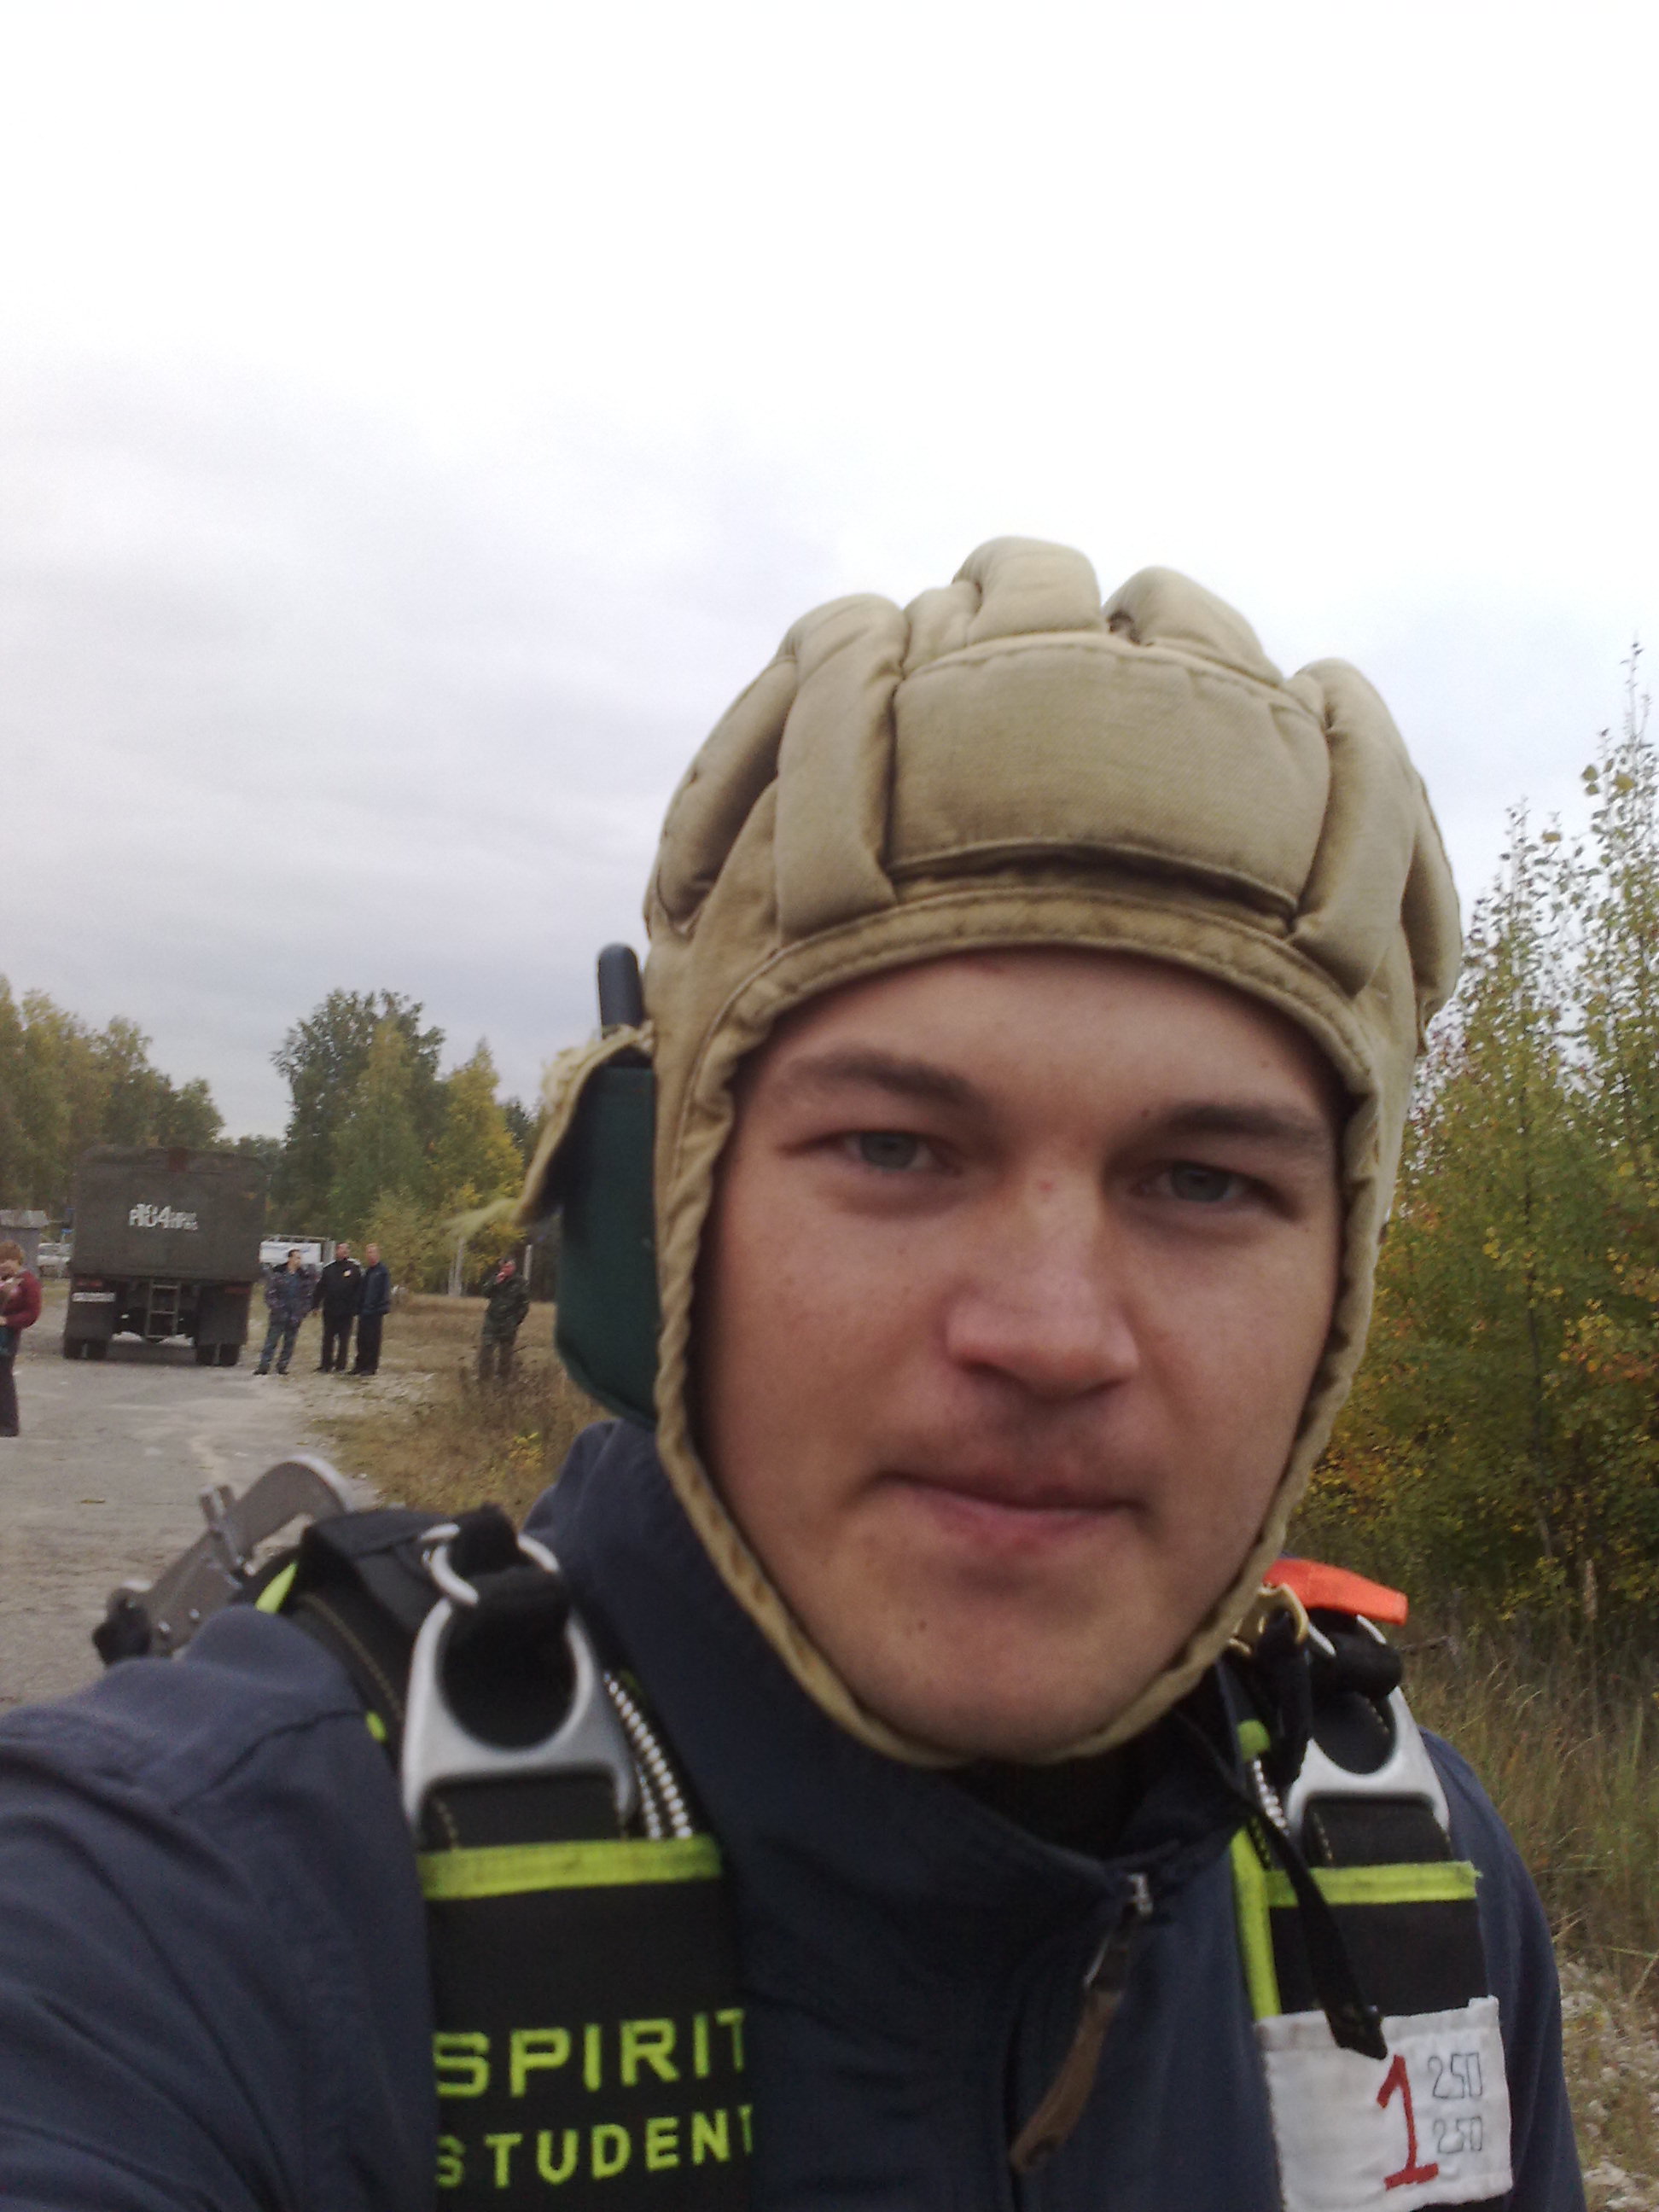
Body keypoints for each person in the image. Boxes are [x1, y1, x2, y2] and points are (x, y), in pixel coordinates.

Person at [0, 542, 1581, 2209]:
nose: (1051, 1335)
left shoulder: (1413, 1893)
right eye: (893, 1147)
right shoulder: (195, 1904)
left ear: (1339, 1290)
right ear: (666, 1224)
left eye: (1204, 1182)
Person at [0, 1241, 42, 1438]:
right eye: (0, 1260)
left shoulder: (28, 1282)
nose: (3, 1264)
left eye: (7, 1260)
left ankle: (9, 1424)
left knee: (3, 1377)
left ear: (18, 1260)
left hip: (7, 1336)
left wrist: (7, 1321)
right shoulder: (3, 1279)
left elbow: (32, 1313)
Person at [253, 1248, 311, 1376]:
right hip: (279, 1314)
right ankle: (264, 1366)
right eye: (296, 1258)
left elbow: (307, 1296)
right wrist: (277, 1308)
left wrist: (303, 1312)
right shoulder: (278, 1274)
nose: (299, 1261)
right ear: (290, 1259)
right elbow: (270, 1294)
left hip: (295, 1315)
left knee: (289, 1343)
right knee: (271, 1341)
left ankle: (282, 1366)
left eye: (300, 1258)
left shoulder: (303, 1277)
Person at [476, 1251, 530, 1382]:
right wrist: (495, 1283)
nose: (506, 1269)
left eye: (508, 1267)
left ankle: (503, 1381)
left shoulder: (520, 1282)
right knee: (486, 1350)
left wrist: (516, 1320)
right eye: (503, 1267)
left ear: (514, 1267)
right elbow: (485, 1293)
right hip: (492, 1320)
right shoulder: (496, 1278)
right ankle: (484, 1379)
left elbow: (524, 1305)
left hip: (509, 1322)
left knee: (505, 1354)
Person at [313, 1241, 364, 1374]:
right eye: (341, 1249)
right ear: (337, 1251)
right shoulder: (329, 1269)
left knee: (344, 1340)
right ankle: (326, 1364)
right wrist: (315, 1305)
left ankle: (341, 1365)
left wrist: (356, 1306)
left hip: (346, 1311)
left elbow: (359, 1290)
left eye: (346, 1250)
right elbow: (320, 1288)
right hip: (330, 1310)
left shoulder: (354, 1269)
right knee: (328, 1338)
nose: (344, 1252)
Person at [352, 1243, 391, 1376]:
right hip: (364, 1311)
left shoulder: (382, 1271)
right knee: (361, 1340)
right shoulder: (367, 1272)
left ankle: (371, 1366)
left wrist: (382, 1307)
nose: (370, 1255)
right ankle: (360, 1365)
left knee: (372, 1340)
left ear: (378, 1254)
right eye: (368, 1252)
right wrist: (357, 1306)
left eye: (372, 1252)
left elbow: (385, 1291)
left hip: (375, 1312)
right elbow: (362, 1291)